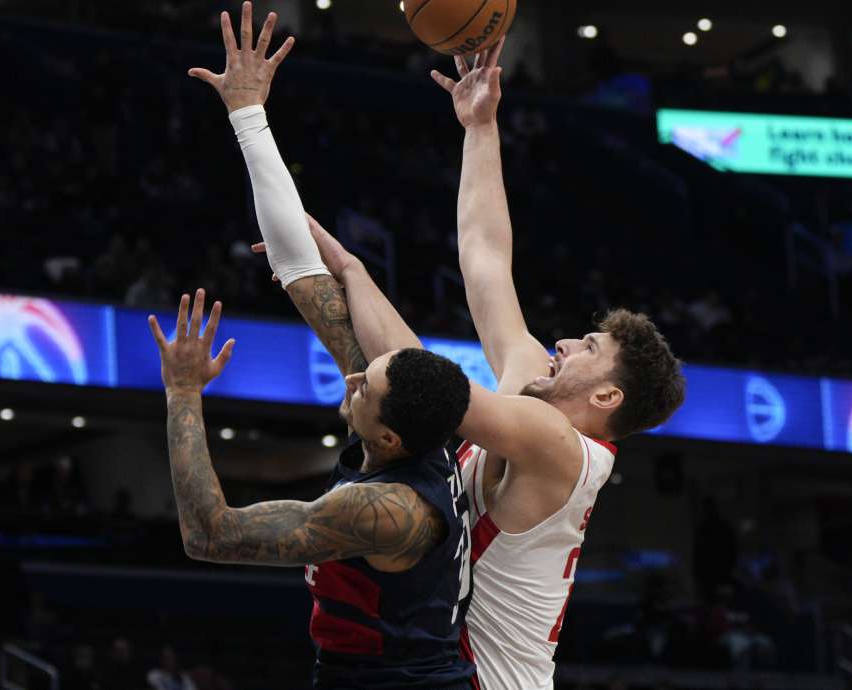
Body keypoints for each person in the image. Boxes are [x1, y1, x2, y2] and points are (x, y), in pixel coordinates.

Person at [250, 38, 686, 690]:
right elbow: (485, 261)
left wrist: (352, 272)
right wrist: (480, 127)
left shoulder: (560, 445)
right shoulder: (531, 403)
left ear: (606, 398)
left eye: (588, 349)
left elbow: (419, 377)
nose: (564, 343)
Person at [176, 6, 475, 688]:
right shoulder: (411, 422)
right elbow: (299, 268)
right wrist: (248, 116)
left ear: (390, 437)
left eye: (368, 386)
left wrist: (182, 394)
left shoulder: (387, 512)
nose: (354, 377)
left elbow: (209, 534)